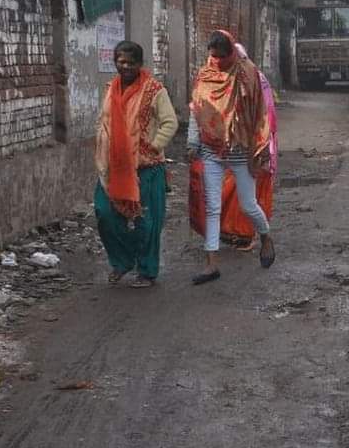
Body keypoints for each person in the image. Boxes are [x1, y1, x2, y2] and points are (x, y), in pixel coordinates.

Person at [187, 30, 276, 284]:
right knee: (212, 207)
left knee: (248, 205)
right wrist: (193, 141)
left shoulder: (247, 74)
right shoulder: (204, 75)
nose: (216, 62)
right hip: (211, 150)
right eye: (212, 57)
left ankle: (266, 236)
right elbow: (196, 109)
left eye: (221, 57)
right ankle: (211, 263)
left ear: (231, 54)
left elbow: (259, 113)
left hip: (239, 150)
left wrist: (260, 150)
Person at [93, 40, 178, 288]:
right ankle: (122, 261)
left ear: (140, 64)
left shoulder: (154, 90)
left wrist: (153, 145)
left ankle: (147, 270)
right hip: (115, 166)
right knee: (105, 213)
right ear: (115, 62)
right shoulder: (111, 89)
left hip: (147, 168)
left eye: (131, 62)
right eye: (121, 61)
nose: (125, 66)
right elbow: (104, 121)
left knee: (147, 222)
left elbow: (169, 122)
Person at [220, 43, 279, 251]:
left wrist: (261, 145)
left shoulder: (252, 78)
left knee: (248, 195)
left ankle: (252, 234)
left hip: (254, 144)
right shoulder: (225, 79)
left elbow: (264, 113)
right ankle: (238, 233)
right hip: (239, 146)